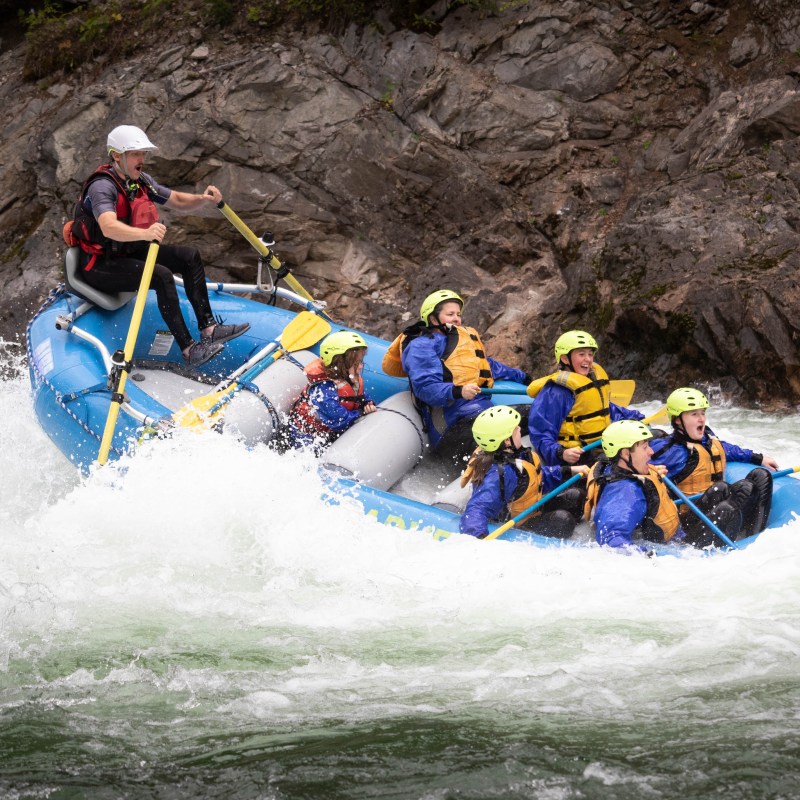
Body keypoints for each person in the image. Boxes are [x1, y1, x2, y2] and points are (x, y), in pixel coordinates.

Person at [68, 124, 249, 367]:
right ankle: (188, 349)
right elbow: (108, 227)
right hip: (100, 265)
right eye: (135, 154)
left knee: (189, 256)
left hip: (127, 252)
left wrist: (204, 199)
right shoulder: (102, 186)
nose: (142, 159)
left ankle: (209, 328)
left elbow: (175, 199)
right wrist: (145, 232)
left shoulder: (139, 181)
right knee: (162, 276)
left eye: (143, 153)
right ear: (116, 156)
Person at [382, 289, 531, 469]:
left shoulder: (460, 340)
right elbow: (426, 387)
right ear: (433, 318)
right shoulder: (421, 345)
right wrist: (458, 391)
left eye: (458, 314)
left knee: (539, 412)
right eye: (450, 314)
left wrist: (526, 379)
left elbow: (488, 366)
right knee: (506, 436)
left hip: (480, 416)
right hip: (453, 427)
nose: (457, 319)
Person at [648, 387, 777, 546]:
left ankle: (754, 539)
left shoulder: (707, 441)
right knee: (723, 489)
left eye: (702, 413)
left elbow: (725, 449)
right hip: (688, 524)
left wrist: (758, 458)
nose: (701, 419)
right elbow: (636, 467)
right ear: (677, 420)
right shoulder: (668, 450)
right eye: (694, 414)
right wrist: (652, 472)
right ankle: (731, 543)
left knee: (761, 476)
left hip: (715, 509)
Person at [460, 406, 588, 539]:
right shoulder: (498, 474)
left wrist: (568, 471)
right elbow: (477, 508)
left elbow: (534, 477)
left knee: (576, 496)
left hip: (532, 507)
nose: (520, 429)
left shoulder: (516, 455)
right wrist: (477, 538)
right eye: (516, 429)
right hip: (519, 522)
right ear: (506, 441)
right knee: (564, 521)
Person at [527, 330, 644, 467]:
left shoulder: (592, 380)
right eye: (581, 354)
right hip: (577, 455)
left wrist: (635, 418)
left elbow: (605, 408)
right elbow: (540, 433)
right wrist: (561, 452)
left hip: (602, 446)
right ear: (565, 359)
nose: (588, 359)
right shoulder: (556, 392)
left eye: (590, 354)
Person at [586, 420, 686, 549]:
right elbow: (610, 538)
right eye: (644, 447)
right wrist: (645, 556)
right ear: (625, 454)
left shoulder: (616, 468)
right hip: (667, 551)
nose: (651, 451)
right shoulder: (626, 492)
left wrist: (653, 474)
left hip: (675, 539)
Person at [282, 330, 377, 454]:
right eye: (355, 363)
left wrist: (367, 403)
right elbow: (338, 420)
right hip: (305, 435)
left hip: (329, 432)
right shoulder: (323, 388)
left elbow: (360, 398)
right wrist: (361, 412)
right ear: (339, 363)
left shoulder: (350, 379)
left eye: (361, 362)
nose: (360, 367)